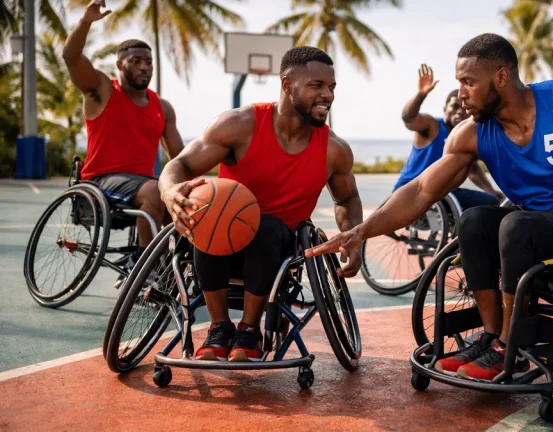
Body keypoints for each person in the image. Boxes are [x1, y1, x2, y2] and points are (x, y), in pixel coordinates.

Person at [306, 33, 553, 381]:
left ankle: (513, 342)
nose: (461, 94)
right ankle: (493, 337)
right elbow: (419, 190)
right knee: (475, 220)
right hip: (539, 234)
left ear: (501, 77)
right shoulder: (473, 133)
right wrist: (362, 231)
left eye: (468, 82)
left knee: (516, 225)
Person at [158, 46, 363, 362]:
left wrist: (353, 238)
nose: (328, 95)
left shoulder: (334, 149)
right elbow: (180, 165)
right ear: (286, 85)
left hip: (280, 250)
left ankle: (249, 330)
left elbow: (346, 199)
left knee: (265, 226)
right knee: (208, 215)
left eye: (332, 87)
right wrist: (170, 191)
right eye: (317, 86)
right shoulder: (239, 125)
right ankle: (219, 328)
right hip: (220, 240)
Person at [62, 0, 184, 278]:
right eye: (136, 61)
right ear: (120, 64)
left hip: (142, 186)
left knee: (176, 193)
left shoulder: (162, 107)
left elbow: (180, 157)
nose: (145, 67)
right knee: (156, 191)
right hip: (100, 181)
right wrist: (86, 22)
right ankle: (143, 266)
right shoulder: (102, 90)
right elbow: (71, 57)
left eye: (149, 62)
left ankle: (166, 263)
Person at [395, 64, 504, 209]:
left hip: (442, 193)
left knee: (492, 201)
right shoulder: (432, 126)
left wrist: (491, 191)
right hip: (410, 189)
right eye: (454, 107)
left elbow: (473, 170)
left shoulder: (464, 135)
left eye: (464, 108)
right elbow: (408, 117)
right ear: (445, 110)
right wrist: (421, 95)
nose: (459, 112)